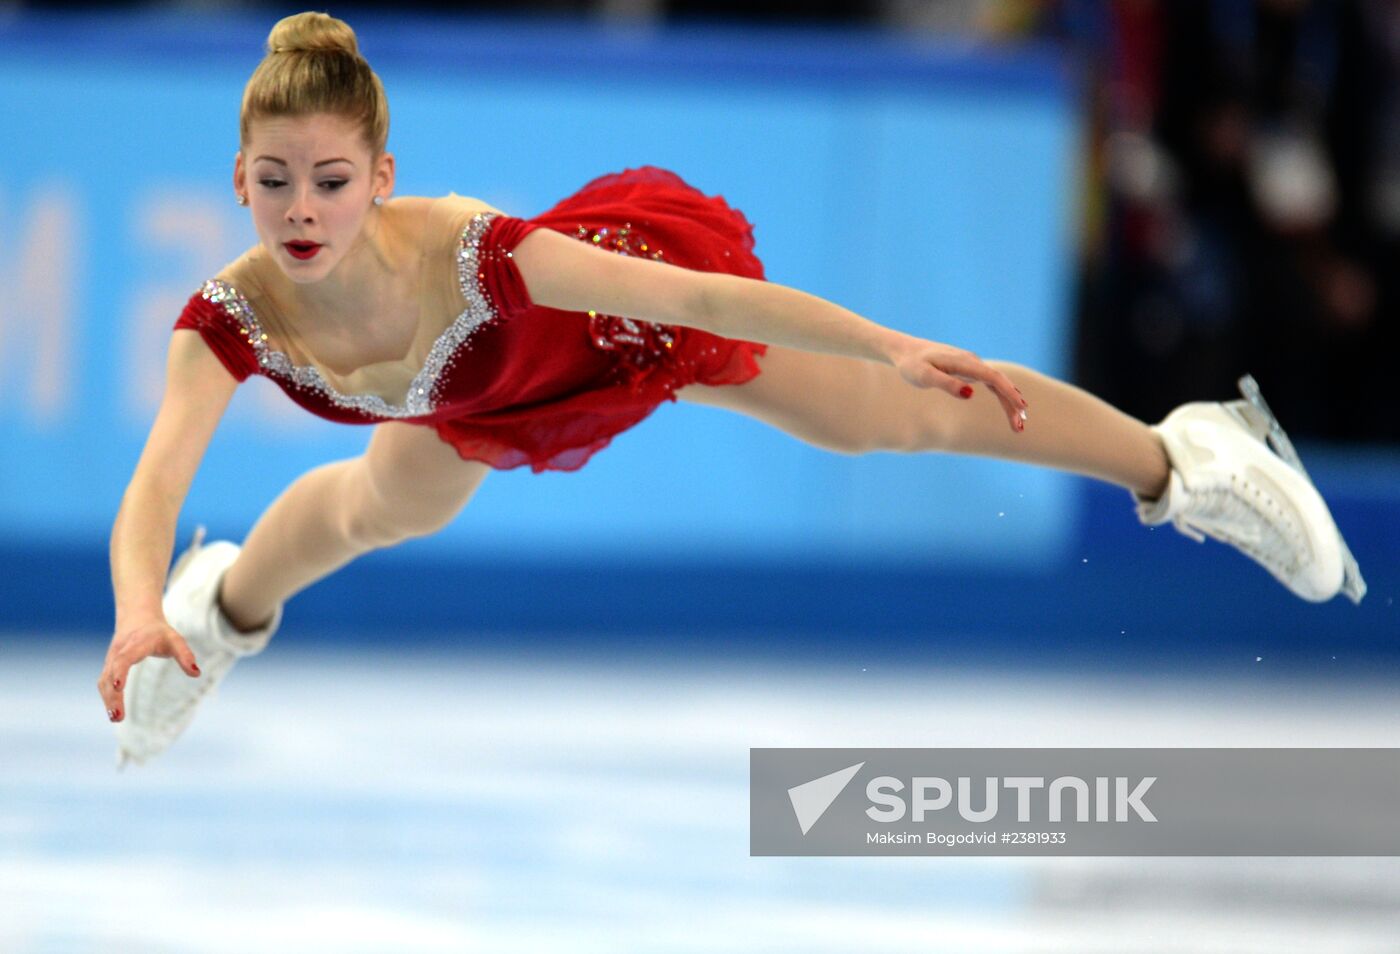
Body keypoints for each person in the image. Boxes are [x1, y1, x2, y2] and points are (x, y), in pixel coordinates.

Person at [99, 11, 1366, 769]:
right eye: (275, 180)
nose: (301, 209)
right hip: (485, 404)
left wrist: (883, 343)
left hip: (620, 329)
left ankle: (1188, 457)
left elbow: (702, 304)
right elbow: (157, 477)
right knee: (381, 505)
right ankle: (213, 616)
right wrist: (131, 616)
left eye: (329, 178)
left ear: (382, 175)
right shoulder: (230, 318)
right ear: (238, 180)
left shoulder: (479, 254)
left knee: (894, 421)